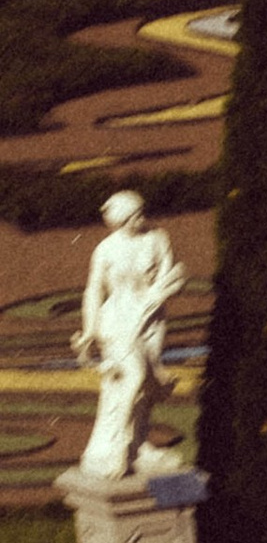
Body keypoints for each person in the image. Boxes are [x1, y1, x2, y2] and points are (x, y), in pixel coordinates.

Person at [74, 189, 187, 483]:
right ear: (121, 222)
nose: (141, 218)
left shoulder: (157, 238)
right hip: (117, 321)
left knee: (147, 387)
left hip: (151, 320)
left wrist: (166, 288)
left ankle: (139, 445)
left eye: (141, 212)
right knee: (133, 376)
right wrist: (89, 330)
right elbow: (94, 291)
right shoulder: (106, 250)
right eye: (134, 215)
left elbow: (170, 275)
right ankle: (118, 448)